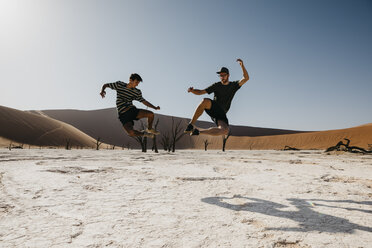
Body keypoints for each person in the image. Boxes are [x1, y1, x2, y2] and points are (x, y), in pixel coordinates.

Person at [185, 59, 249, 136]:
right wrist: (193, 91)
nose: (222, 77)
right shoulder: (216, 85)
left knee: (224, 130)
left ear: (228, 75)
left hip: (222, 113)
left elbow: (246, 78)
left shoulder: (234, 85)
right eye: (220, 76)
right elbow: (201, 92)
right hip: (214, 107)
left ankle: (198, 131)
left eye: (223, 75)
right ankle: (191, 124)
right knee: (204, 101)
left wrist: (242, 66)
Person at [100, 73, 160, 138]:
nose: (137, 84)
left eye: (138, 83)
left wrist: (154, 107)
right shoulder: (119, 85)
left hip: (132, 111)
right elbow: (106, 85)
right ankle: (144, 134)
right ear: (130, 80)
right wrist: (102, 91)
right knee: (131, 133)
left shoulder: (137, 92)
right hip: (123, 115)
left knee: (151, 114)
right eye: (136, 82)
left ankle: (149, 129)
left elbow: (144, 101)